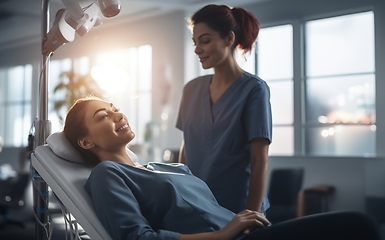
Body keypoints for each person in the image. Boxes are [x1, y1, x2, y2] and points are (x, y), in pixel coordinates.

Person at [62, 96, 381, 240]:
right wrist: (225, 233)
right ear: (87, 143)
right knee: (359, 225)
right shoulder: (108, 175)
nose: (117, 115)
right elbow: (137, 238)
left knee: (359, 227)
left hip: (247, 233)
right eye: (102, 116)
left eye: (114, 108)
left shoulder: (165, 166)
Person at [176, 4, 271, 214]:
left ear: (229, 38)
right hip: (197, 205)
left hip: (238, 206)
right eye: (195, 42)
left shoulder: (254, 90)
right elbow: (186, 148)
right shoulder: (191, 89)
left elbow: (259, 160)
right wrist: (181, 195)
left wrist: (251, 214)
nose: (197, 49)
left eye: (205, 41)